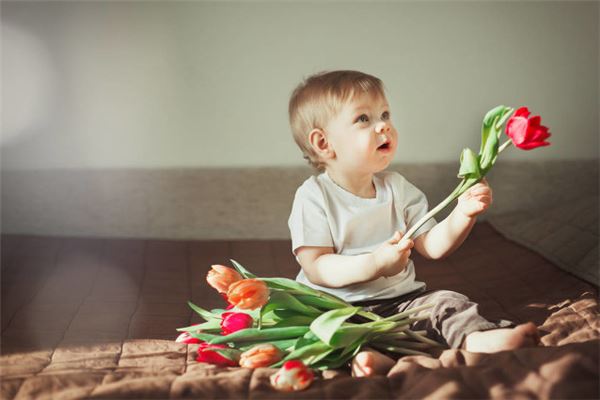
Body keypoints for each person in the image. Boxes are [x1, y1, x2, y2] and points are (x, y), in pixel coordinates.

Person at [286, 70, 539, 377]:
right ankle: (366, 358)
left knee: (447, 303)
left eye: (385, 114)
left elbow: (432, 246)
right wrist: (375, 264)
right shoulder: (314, 196)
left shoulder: (397, 188)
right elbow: (317, 266)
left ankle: (477, 337)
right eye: (363, 119)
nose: (384, 125)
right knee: (321, 332)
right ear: (324, 143)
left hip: (400, 305)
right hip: (335, 306)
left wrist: (463, 213)